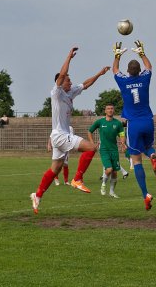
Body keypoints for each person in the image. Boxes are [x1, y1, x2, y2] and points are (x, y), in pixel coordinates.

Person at [29, 47, 110, 214]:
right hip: (60, 136)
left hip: (59, 136)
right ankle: (77, 179)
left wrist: (99, 74)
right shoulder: (56, 93)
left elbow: (85, 84)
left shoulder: (70, 92)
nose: (71, 83)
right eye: (68, 81)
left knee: (55, 169)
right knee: (92, 148)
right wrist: (69, 57)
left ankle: (37, 195)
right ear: (61, 81)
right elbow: (62, 74)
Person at [112, 40, 156, 211]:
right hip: (148, 120)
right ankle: (153, 155)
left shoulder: (124, 82)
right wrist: (142, 53)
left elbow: (115, 70)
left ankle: (145, 194)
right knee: (148, 147)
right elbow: (150, 66)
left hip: (133, 124)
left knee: (136, 159)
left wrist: (117, 55)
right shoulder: (145, 78)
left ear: (128, 71)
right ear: (139, 70)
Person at [88, 104, 126, 198]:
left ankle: (112, 192)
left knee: (115, 172)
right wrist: (92, 143)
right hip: (104, 149)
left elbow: (121, 135)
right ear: (105, 111)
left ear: (114, 110)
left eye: (112, 108)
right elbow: (89, 131)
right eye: (108, 109)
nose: (110, 110)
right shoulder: (100, 122)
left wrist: (123, 143)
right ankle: (103, 185)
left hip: (114, 150)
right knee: (109, 169)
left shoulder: (118, 123)